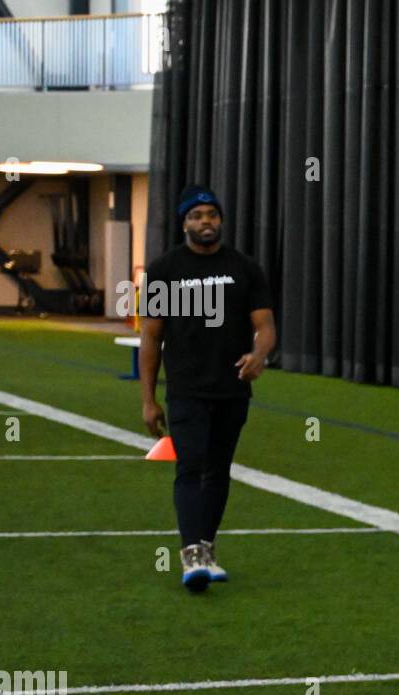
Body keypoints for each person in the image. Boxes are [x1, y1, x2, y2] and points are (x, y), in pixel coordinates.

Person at [139, 185, 276, 592]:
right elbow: (151, 336)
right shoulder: (164, 269)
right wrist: (148, 398)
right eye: (196, 215)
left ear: (220, 221)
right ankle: (191, 554)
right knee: (191, 466)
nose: (205, 222)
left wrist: (259, 355)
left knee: (218, 470)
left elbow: (264, 325)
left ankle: (208, 547)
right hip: (185, 390)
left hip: (232, 389)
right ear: (184, 223)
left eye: (211, 215)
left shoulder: (244, 268)